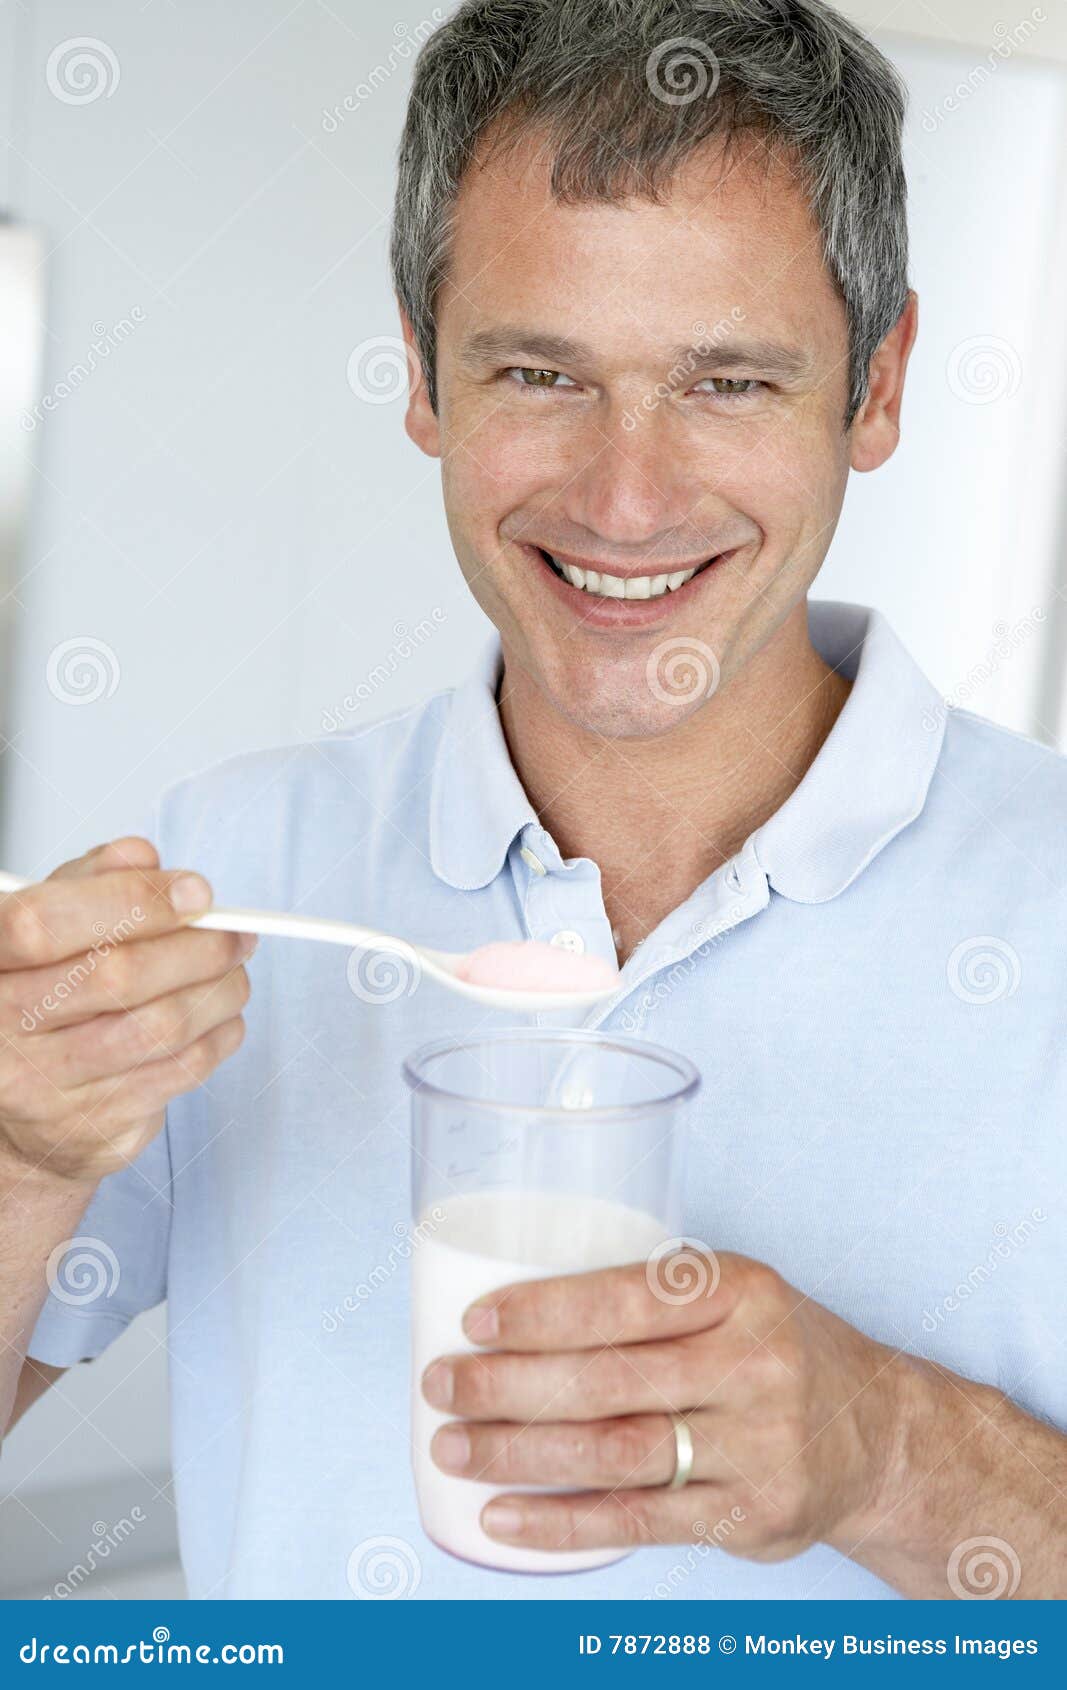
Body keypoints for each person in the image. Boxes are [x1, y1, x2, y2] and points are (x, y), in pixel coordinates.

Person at [1, 0, 1064, 1601]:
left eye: (728, 382)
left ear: (878, 383)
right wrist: (22, 1154)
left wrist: (895, 1448)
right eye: (539, 373)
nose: (626, 500)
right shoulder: (239, 864)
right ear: (422, 368)